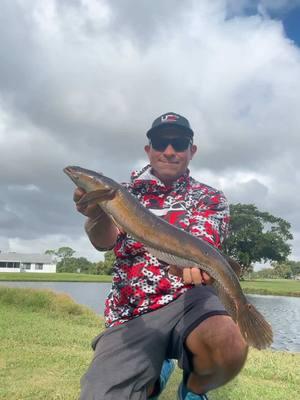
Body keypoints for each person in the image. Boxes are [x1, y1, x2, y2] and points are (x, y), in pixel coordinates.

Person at [73, 112, 248, 400]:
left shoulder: (209, 198)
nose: (169, 151)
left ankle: (193, 389)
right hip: (133, 311)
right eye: (160, 142)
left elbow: (204, 242)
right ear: (148, 149)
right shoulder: (122, 193)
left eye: (179, 143)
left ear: (191, 151)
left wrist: (191, 266)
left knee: (228, 342)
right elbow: (103, 242)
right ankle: (154, 377)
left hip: (192, 301)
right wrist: (95, 216)